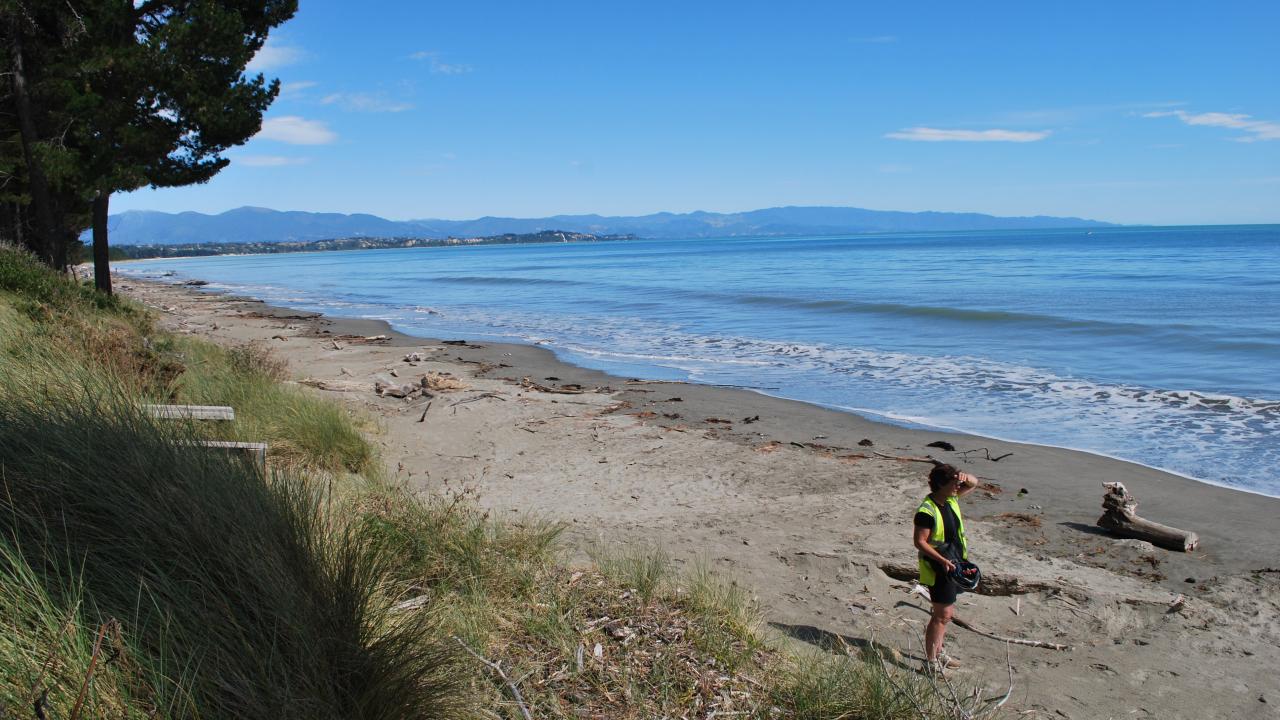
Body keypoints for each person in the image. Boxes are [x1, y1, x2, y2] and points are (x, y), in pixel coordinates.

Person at [912, 463, 978, 675]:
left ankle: (939, 652)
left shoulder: (950, 499)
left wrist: (963, 477)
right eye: (954, 483)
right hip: (939, 567)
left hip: (955, 563)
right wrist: (942, 561)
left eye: (959, 483)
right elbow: (920, 542)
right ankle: (930, 662)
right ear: (941, 484)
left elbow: (975, 483)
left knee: (946, 614)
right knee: (942, 615)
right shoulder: (926, 511)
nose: (958, 487)